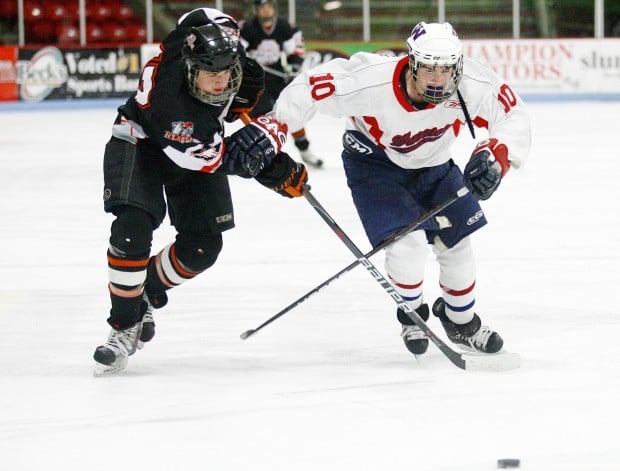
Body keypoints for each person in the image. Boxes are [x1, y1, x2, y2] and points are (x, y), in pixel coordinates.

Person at [272, 22, 531, 356]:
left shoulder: (471, 84)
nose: (438, 78)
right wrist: (273, 131)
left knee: (458, 246)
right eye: (429, 69)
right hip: (375, 167)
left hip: (435, 164)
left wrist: (495, 156)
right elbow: (309, 88)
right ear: (412, 63)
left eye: (447, 69)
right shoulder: (370, 78)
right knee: (406, 249)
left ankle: (461, 322)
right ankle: (413, 315)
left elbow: (514, 115)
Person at [94, 7, 308, 376]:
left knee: (202, 248)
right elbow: (215, 158)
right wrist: (272, 168)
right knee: (132, 229)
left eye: (227, 72)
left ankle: (144, 290)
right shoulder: (175, 109)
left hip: (200, 144)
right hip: (142, 141)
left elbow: (203, 16)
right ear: (191, 69)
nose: (222, 83)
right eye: (211, 75)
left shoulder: (216, 47)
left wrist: (268, 147)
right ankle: (124, 323)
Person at [240, 0, 323, 168]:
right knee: (260, 118)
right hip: (255, 80)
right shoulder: (247, 28)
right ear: (256, 10)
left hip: (277, 78)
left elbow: (296, 51)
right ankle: (261, 151)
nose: (266, 10)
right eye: (262, 7)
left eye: (269, 6)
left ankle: (305, 150)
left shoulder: (285, 26)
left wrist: (293, 67)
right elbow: (238, 52)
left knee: (290, 113)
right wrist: (245, 62)